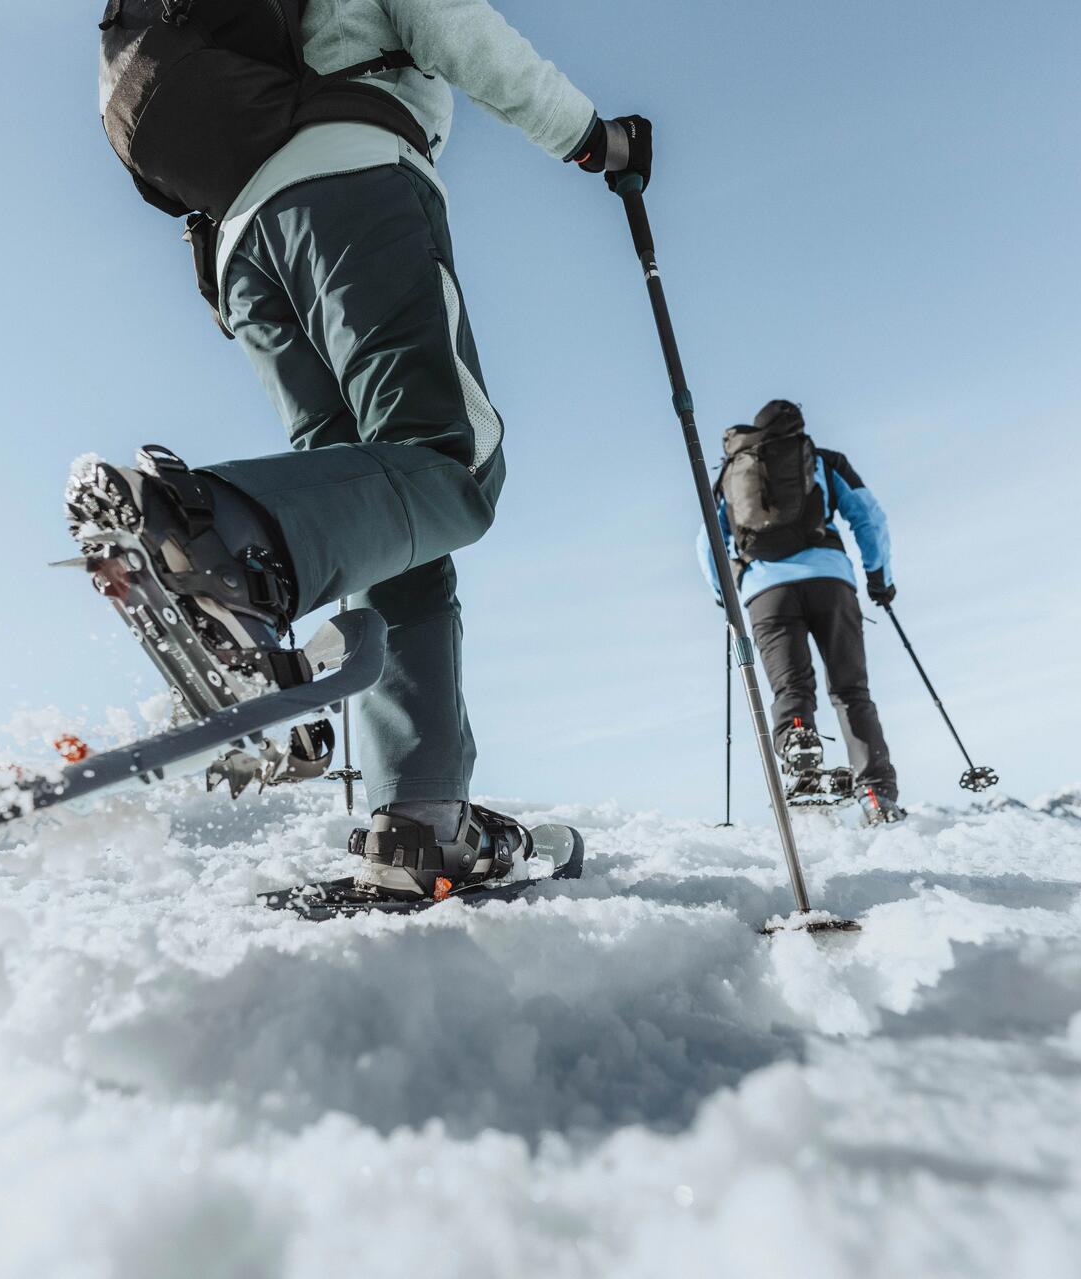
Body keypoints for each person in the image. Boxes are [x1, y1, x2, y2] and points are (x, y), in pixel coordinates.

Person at [73, 1, 650, 900]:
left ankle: (419, 818)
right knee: (451, 467)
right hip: (347, 185)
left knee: (384, 523)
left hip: (240, 250)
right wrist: (593, 138)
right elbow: (457, 31)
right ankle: (216, 536)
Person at [697, 399, 905, 824]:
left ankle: (797, 738)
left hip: (765, 592)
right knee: (850, 690)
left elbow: (707, 541)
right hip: (830, 582)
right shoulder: (825, 462)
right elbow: (869, 517)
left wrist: (727, 595)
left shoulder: (734, 473)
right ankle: (875, 794)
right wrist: (878, 578)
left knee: (790, 688)